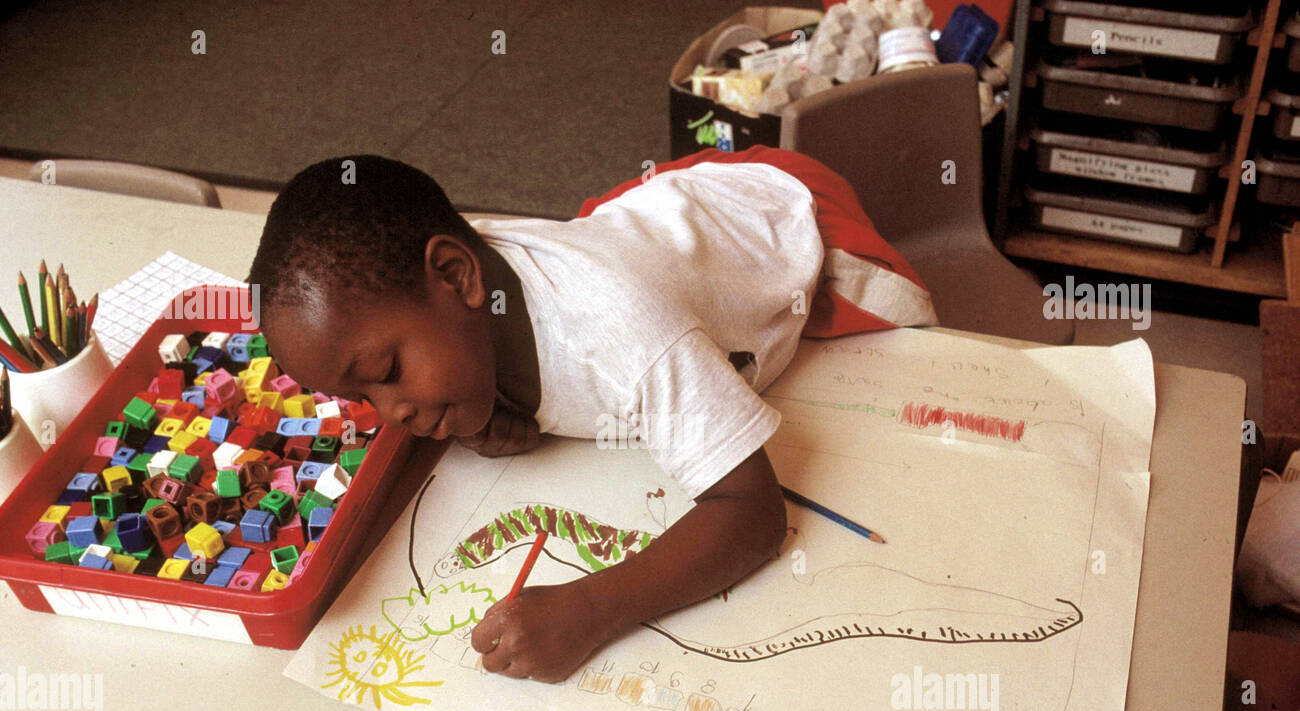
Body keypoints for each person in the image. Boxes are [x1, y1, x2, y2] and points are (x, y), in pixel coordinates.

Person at [247, 148, 935, 681]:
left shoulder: (622, 329)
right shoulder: (459, 289)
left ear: (459, 276)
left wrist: (593, 607)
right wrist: (490, 412)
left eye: (386, 375)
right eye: (364, 398)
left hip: (792, 218)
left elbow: (753, 513)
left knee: (930, 351)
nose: (392, 413)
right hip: (668, 212)